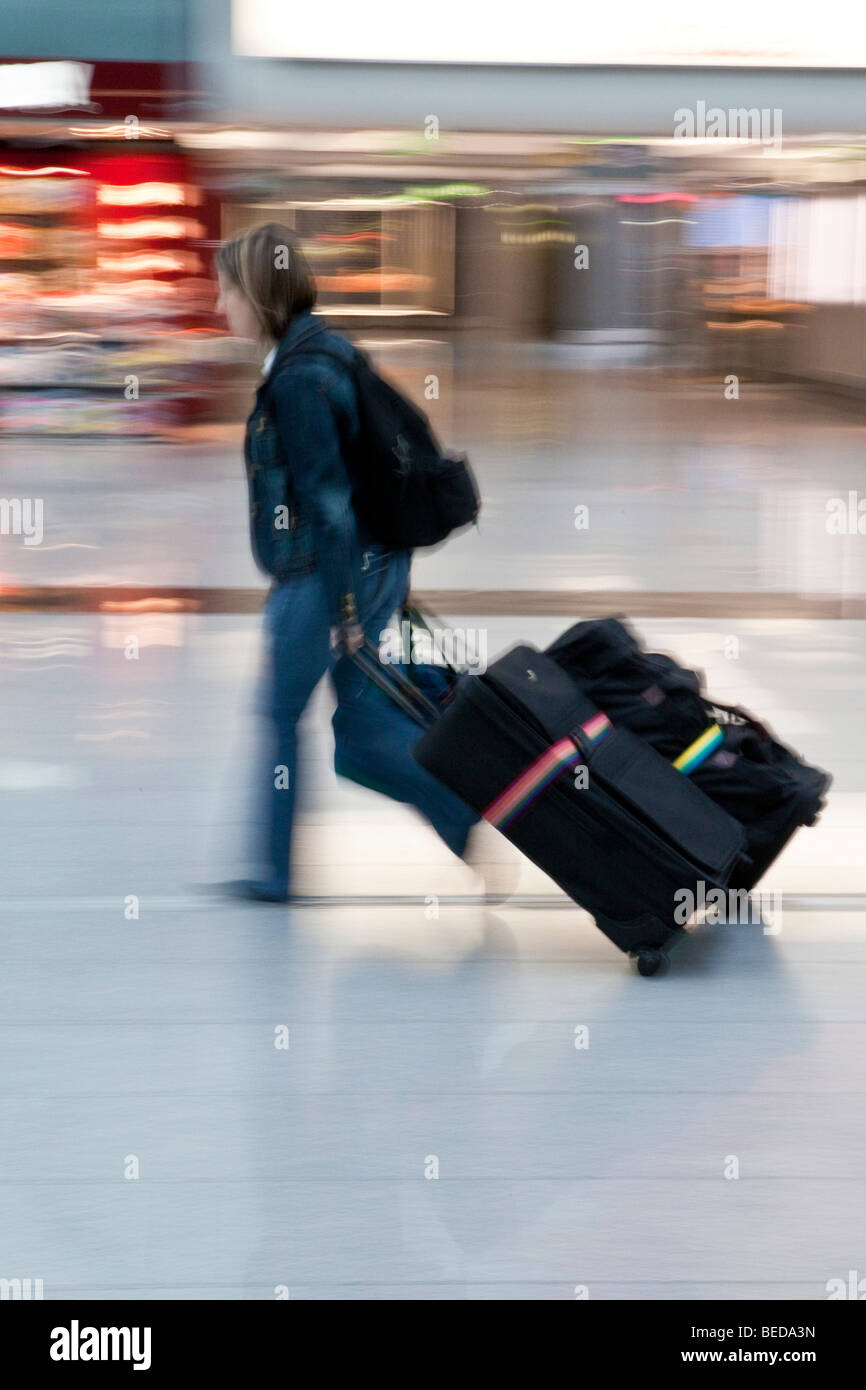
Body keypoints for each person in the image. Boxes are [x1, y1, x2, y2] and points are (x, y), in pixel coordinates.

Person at [214, 222, 511, 903]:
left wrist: (345, 609)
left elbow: (328, 501)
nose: (219, 306)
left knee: (280, 714)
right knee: (362, 722)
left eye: (227, 291)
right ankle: (458, 809)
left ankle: (274, 872)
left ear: (259, 295)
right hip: (371, 566)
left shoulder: (299, 379)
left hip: (325, 577)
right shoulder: (325, 350)